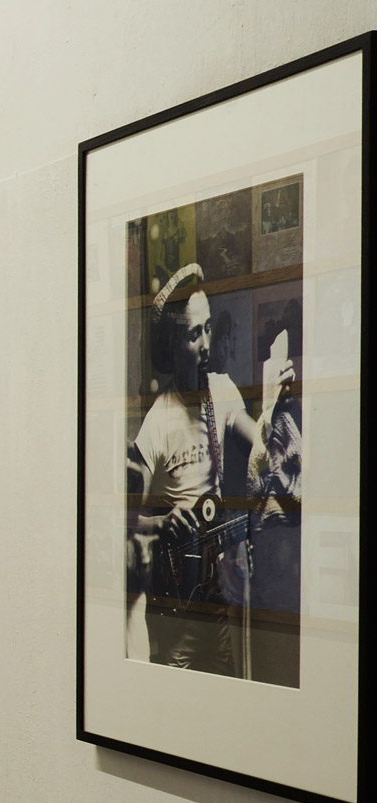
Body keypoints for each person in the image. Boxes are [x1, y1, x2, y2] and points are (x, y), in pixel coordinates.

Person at [127, 263, 299, 677]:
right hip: (176, 597)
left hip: (215, 586)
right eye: (193, 334)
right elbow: (124, 515)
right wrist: (163, 521)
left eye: (207, 329)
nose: (206, 343)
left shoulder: (220, 391)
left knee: (223, 677)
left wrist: (274, 405)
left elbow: (260, 447)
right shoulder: (157, 421)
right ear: (174, 345)